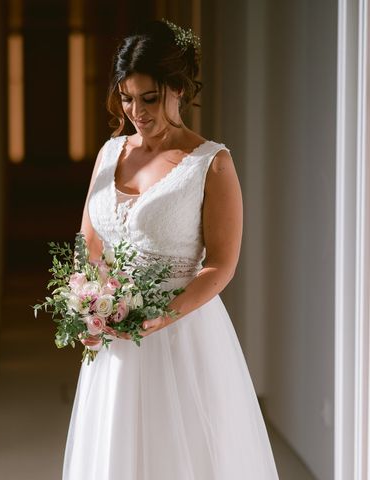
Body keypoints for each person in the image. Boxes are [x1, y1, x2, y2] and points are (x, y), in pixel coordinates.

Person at [62, 19, 280, 479]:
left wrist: (165, 315)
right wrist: (85, 303)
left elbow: (221, 265)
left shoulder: (211, 164)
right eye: (126, 98)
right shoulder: (109, 154)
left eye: (149, 98)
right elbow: (90, 241)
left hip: (181, 335)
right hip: (114, 341)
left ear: (178, 88)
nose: (136, 112)